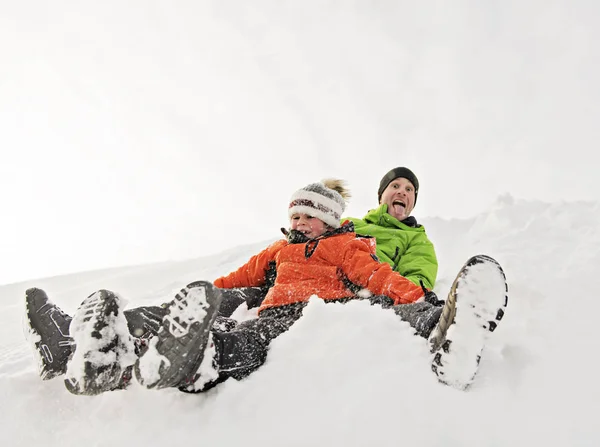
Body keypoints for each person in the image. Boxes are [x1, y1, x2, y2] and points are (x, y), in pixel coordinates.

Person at [25, 167, 440, 383]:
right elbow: (244, 273)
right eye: (395, 187)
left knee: (247, 337)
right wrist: (204, 295)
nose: (401, 193)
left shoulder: (353, 241)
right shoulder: (302, 240)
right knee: (220, 309)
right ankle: (101, 341)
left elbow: (376, 274)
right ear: (381, 194)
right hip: (272, 296)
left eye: (408, 189)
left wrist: (419, 296)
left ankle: (198, 359)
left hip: (315, 308)